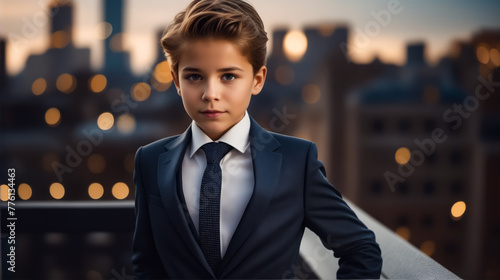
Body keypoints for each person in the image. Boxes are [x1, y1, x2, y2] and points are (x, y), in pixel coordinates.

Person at [132, 0, 382, 279]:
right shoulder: (150, 161)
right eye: (194, 76)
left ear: (258, 79)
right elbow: (146, 263)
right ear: (176, 81)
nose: (210, 93)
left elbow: (360, 248)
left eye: (228, 76)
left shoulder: (296, 161)